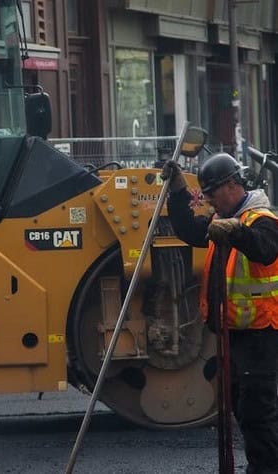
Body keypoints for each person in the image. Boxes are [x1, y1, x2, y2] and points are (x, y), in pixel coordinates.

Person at [163, 154, 278, 473]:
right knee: (243, 408)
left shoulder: (261, 219)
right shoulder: (222, 219)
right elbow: (187, 229)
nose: (209, 199)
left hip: (261, 333)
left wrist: (237, 233)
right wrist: (177, 191)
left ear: (232, 185)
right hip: (236, 332)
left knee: (257, 412)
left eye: (212, 192)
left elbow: (265, 249)